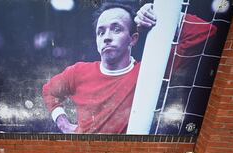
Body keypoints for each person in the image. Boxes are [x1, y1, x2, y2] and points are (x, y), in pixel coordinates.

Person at [42, 2, 216, 134]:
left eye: (116, 29)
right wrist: (62, 122)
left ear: (133, 39)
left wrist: (159, 13)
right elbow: (49, 91)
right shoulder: (78, 72)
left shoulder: (149, 71)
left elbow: (206, 32)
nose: (106, 37)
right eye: (100, 32)